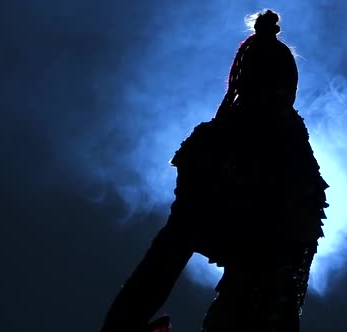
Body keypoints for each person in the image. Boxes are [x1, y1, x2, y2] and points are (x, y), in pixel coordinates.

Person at [100, 9, 329, 332]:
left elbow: (168, 253)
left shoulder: (290, 154)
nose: (275, 98)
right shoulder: (220, 148)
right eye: (271, 87)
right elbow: (170, 251)